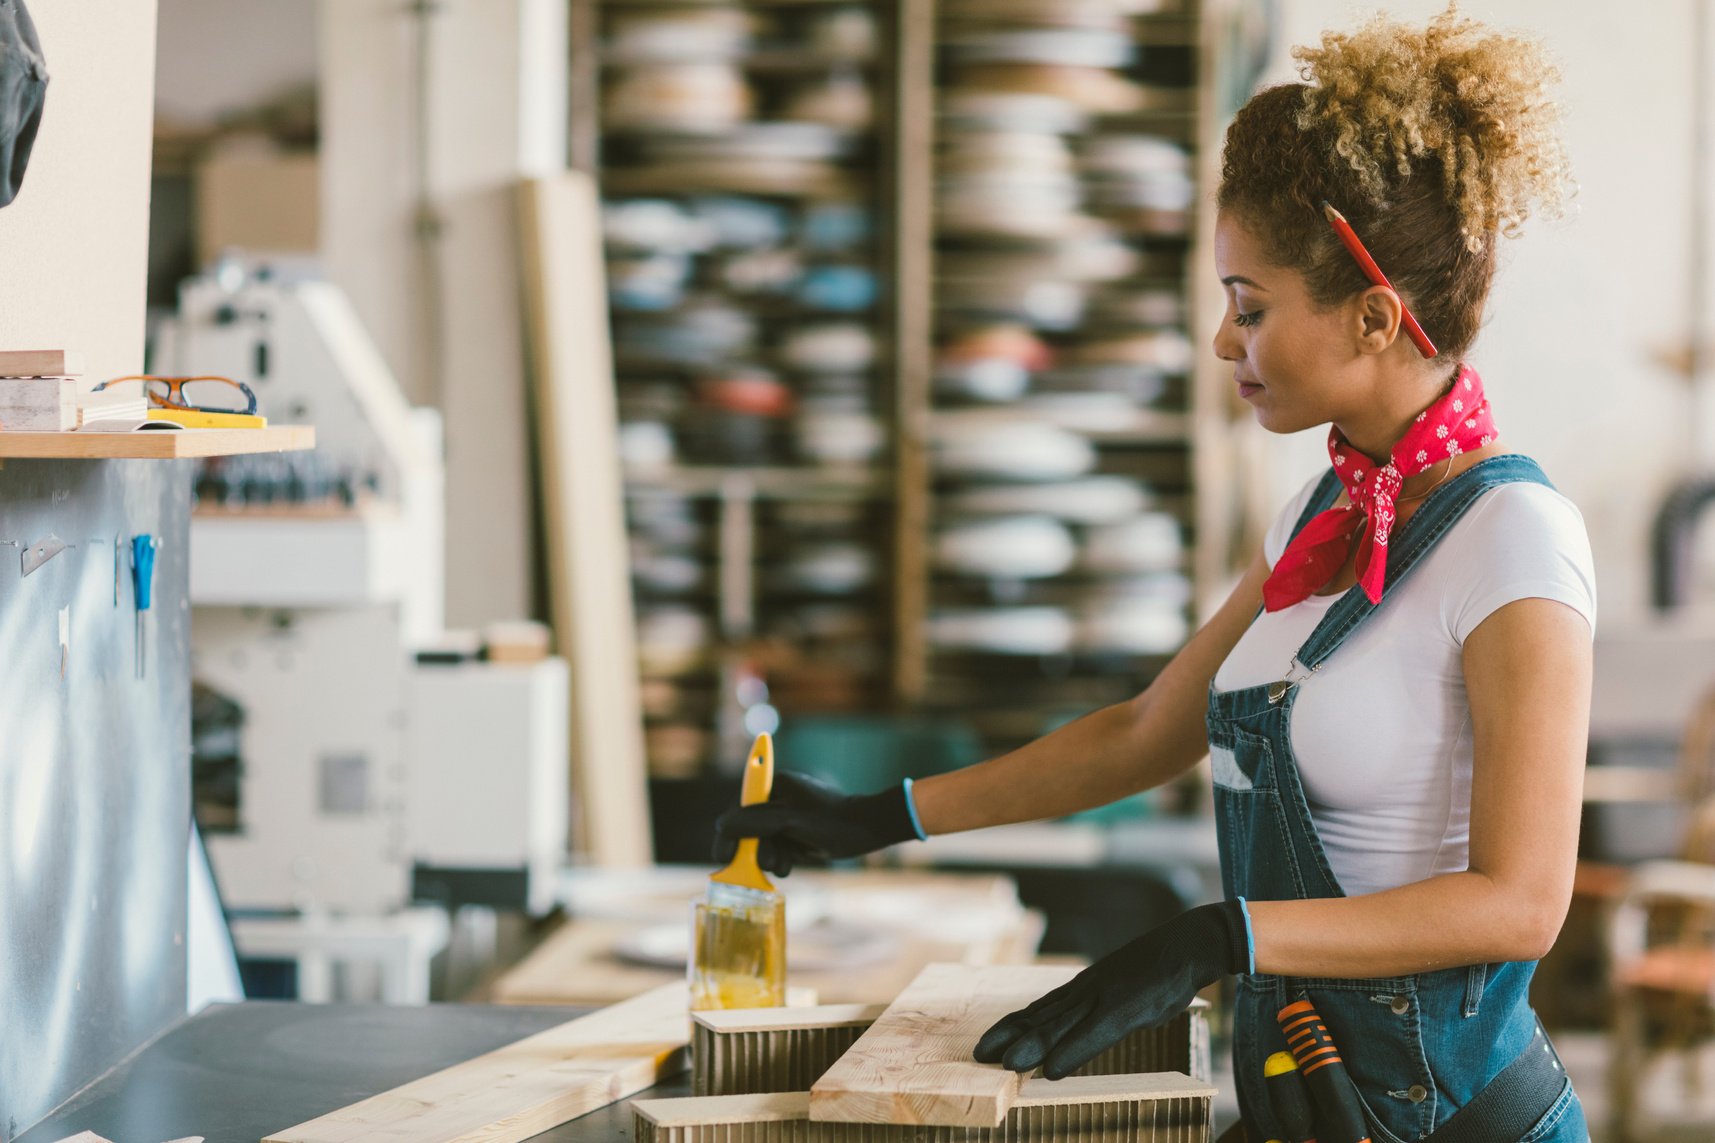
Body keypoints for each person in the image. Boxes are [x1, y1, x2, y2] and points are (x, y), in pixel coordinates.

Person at [715, 7, 1594, 1141]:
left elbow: (1521, 905)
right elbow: (1144, 733)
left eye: (1251, 307)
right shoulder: (1321, 513)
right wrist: (875, 820)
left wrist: (1222, 937)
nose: (1224, 343)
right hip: (1310, 1108)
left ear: (1373, 317)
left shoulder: (1514, 538)